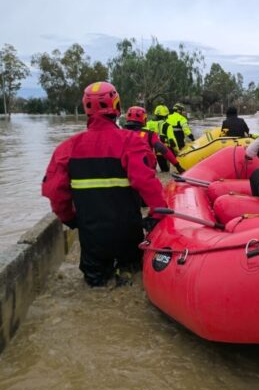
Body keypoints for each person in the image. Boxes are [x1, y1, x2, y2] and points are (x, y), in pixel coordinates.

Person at [41, 82, 166, 287]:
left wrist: (71, 219)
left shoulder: (66, 148)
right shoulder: (132, 142)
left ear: (85, 108)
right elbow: (147, 182)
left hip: (92, 238)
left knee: (95, 287)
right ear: (116, 107)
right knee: (132, 279)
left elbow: (55, 192)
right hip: (128, 234)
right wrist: (157, 214)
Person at [124, 106, 185, 173]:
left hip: (125, 169)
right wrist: (177, 165)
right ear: (143, 118)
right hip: (147, 169)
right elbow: (162, 148)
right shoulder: (149, 134)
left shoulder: (120, 133)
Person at [147, 104, 172, 171]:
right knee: (165, 170)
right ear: (165, 115)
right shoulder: (166, 125)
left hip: (149, 150)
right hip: (161, 149)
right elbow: (172, 139)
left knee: (151, 169)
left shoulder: (148, 123)